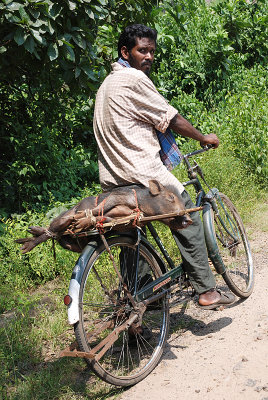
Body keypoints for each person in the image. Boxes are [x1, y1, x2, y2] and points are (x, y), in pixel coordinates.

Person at [93, 24, 235, 309]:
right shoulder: (133, 79)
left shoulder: (106, 85)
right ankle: (207, 291)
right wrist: (203, 137)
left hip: (114, 181)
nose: (148, 56)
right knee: (186, 217)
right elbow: (170, 118)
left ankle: (144, 296)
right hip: (144, 175)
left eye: (152, 51)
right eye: (141, 50)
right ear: (125, 52)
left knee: (131, 235)